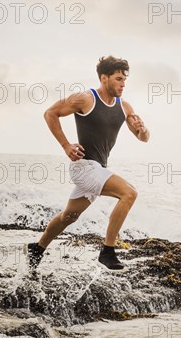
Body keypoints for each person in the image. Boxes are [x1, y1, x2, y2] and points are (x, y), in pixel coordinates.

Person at [25, 55, 149, 271]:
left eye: (125, 79)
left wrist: (142, 128)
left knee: (68, 217)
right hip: (84, 167)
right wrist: (66, 146)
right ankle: (108, 251)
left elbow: (143, 137)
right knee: (129, 193)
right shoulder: (85, 99)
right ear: (104, 78)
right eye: (118, 78)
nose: (123, 84)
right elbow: (50, 113)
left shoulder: (125, 107)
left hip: (98, 169)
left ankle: (38, 248)